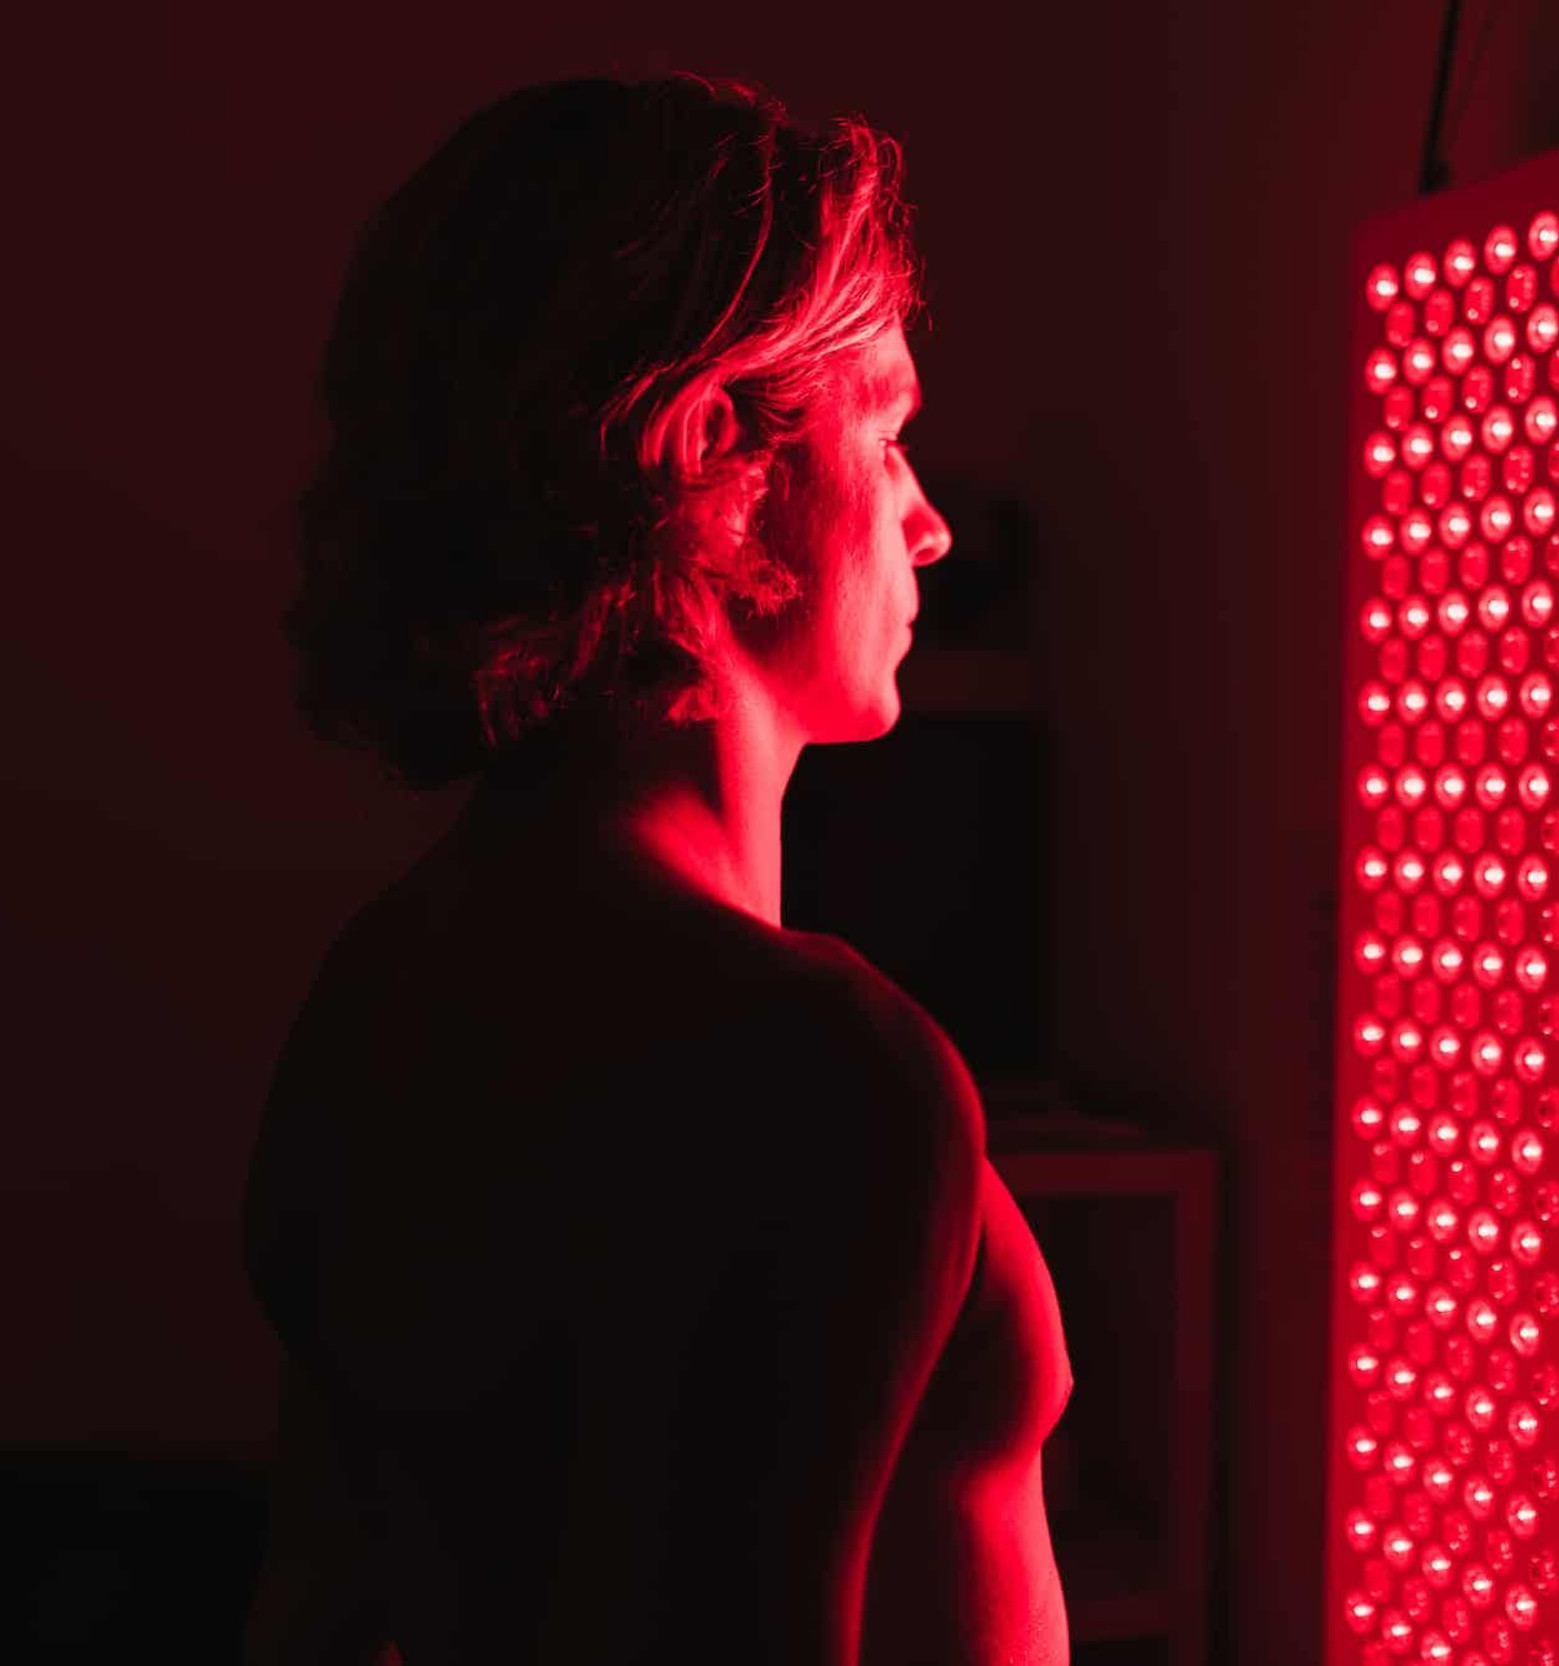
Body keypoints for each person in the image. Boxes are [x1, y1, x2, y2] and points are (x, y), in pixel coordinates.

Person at [238, 74, 1073, 1666]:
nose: (933, 524)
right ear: (722, 468)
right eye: (887, 431)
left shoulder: (385, 983)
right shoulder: (815, 1070)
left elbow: (318, 1611)